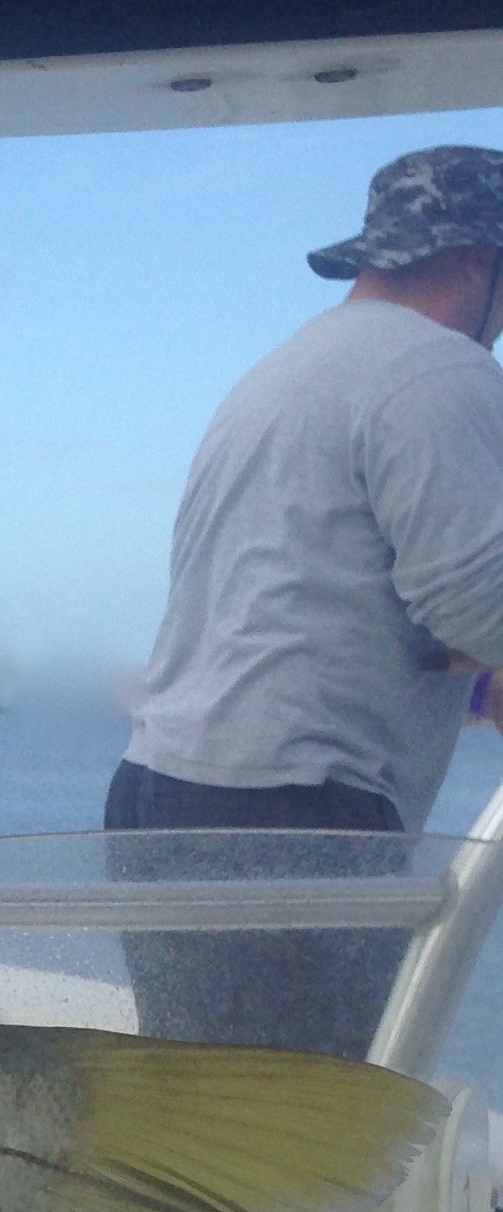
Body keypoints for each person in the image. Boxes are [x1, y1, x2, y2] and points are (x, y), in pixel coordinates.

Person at [108, 144, 503, 1056]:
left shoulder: (289, 368)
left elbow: (308, 603)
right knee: (296, 1138)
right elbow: (480, 603)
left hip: (160, 797)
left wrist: (477, 691)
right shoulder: (439, 369)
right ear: (479, 258)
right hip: (288, 822)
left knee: (206, 1126)